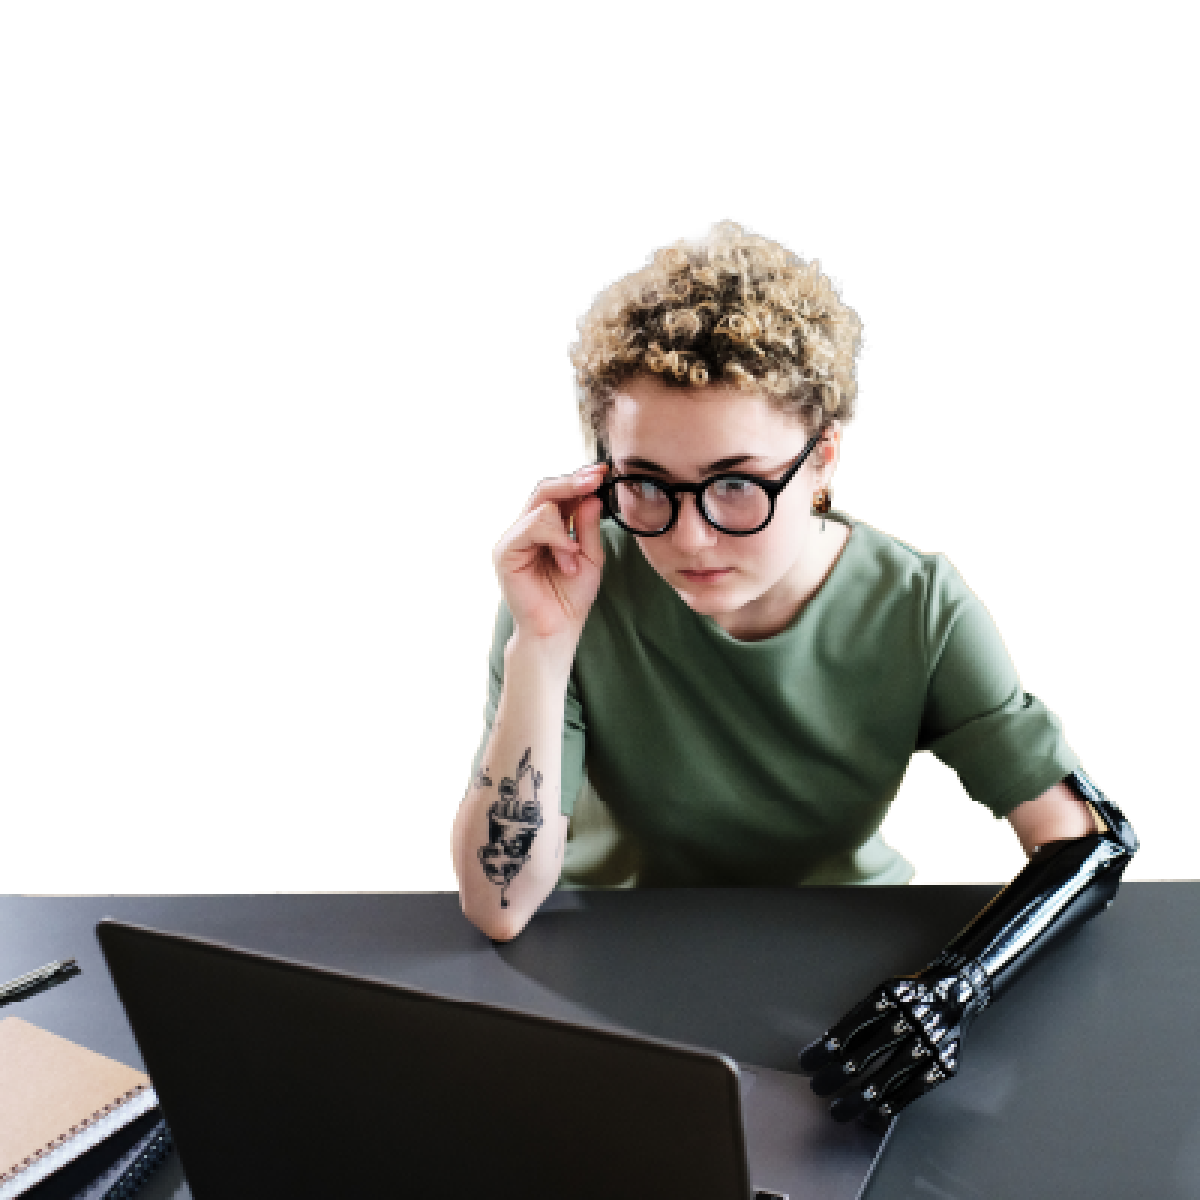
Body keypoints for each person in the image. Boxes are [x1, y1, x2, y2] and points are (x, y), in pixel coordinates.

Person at [450, 219, 1138, 1128]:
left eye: (737, 484)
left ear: (822, 459)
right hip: (610, 968)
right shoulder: (575, 584)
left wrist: (955, 989)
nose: (690, 537)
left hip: (847, 987)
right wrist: (542, 641)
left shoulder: (917, 604)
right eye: (646, 484)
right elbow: (501, 908)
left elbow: (1087, 841)